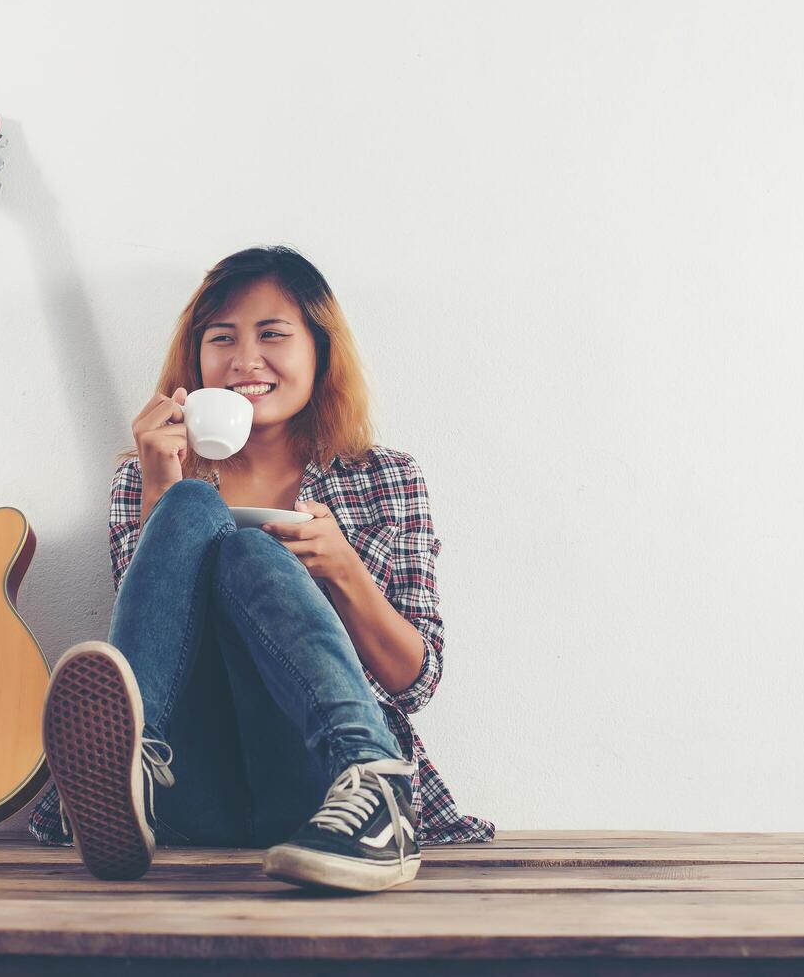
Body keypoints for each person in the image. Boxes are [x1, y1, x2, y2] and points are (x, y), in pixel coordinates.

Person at [29, 245, 494, 893]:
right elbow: (158, 638)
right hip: (183, 787)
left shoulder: (384, 478)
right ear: (195, 361)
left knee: (251, 547)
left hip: (317, 787)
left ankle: (370, 777)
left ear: (319, 348)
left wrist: (346, 573)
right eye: (221, 338)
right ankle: (129, 766)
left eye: (272, 334)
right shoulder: (143, 477)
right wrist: (161, 489)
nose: (244, 359)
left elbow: (414, 681)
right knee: (194, 503)